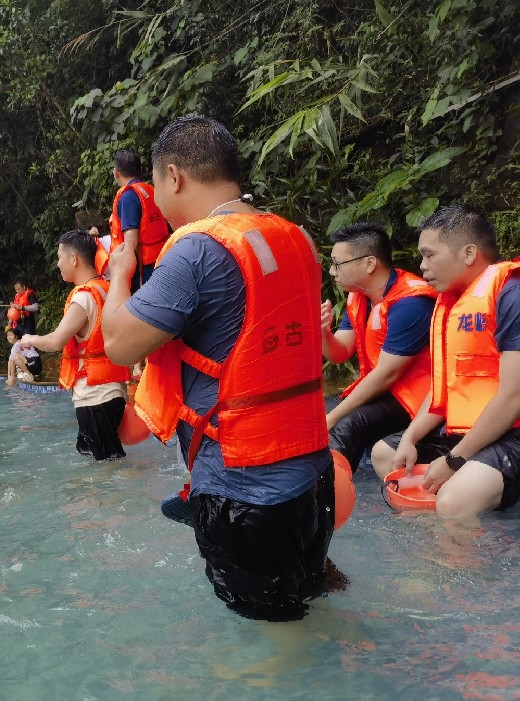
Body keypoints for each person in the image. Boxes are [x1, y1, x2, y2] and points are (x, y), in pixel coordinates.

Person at [101, 114, 333, 620]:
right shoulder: (295, 237)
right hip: (313, 468)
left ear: (174, 176)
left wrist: (120, 274)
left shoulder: (197, 250)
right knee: (308, 604)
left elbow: (118, 343)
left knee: (268, 641)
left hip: (244, 488)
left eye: (157, 184)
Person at [371, 205, 520, 518]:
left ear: (468, 253)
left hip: (512, 433)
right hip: (466, 430)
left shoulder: (511, 293)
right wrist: (410, 437)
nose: (422, 266)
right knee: (387, 455)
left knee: (454, 500)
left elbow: (513, 396)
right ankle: (435, 543)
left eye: (429, 255)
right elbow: (446, 389)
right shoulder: (452, 301)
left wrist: (454, 460)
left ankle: (464, 554)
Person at [321, 223, 437, 470]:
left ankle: (331, 493)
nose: (332, 271)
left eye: (337, 264)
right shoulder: (359, 295)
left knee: (346, 422)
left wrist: (333, 417)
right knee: (316, 409)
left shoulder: (411, 304)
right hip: (382, 389)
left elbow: (386, 375)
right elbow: (340, 352)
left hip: (412, 398)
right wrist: (322, 332)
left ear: (369, 264)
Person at [21, 230, 130, 460]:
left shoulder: (83, 298)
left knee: (108, 466)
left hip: (94, 396)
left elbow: (55, 340)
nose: (58, 263)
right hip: (113, 389)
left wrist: (29, 339)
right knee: (99, 456)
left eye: (60, 257)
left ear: (73, 259)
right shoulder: (107, 288)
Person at [109, 148, 170, 290]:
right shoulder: (149, 190)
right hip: (161, 257)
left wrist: (122, 271)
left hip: (143, 270)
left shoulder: (128, 196)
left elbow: (131, 238)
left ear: (116, 172)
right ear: (140, 169)